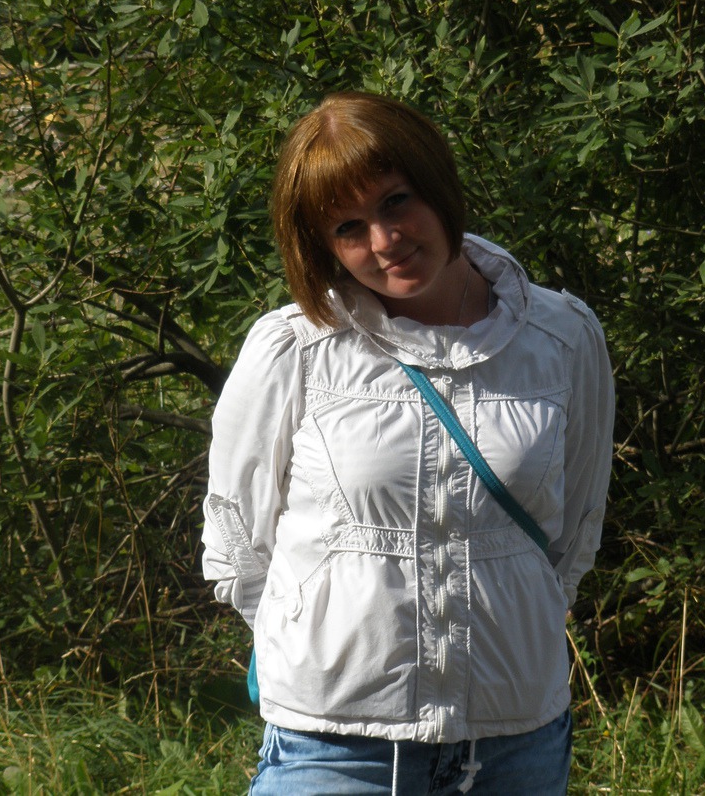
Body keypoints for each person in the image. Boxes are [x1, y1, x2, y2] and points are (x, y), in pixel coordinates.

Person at [201, 92, 614, 795]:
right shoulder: (294, 348)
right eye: (349, 227)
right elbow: (238, 538)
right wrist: (315, 641)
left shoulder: (562, 336)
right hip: (336, 749)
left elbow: (575, 528)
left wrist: (524, 620)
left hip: (513, 747)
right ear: (321, 246)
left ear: (437, 184)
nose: (385, 239)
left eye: (396, 202)